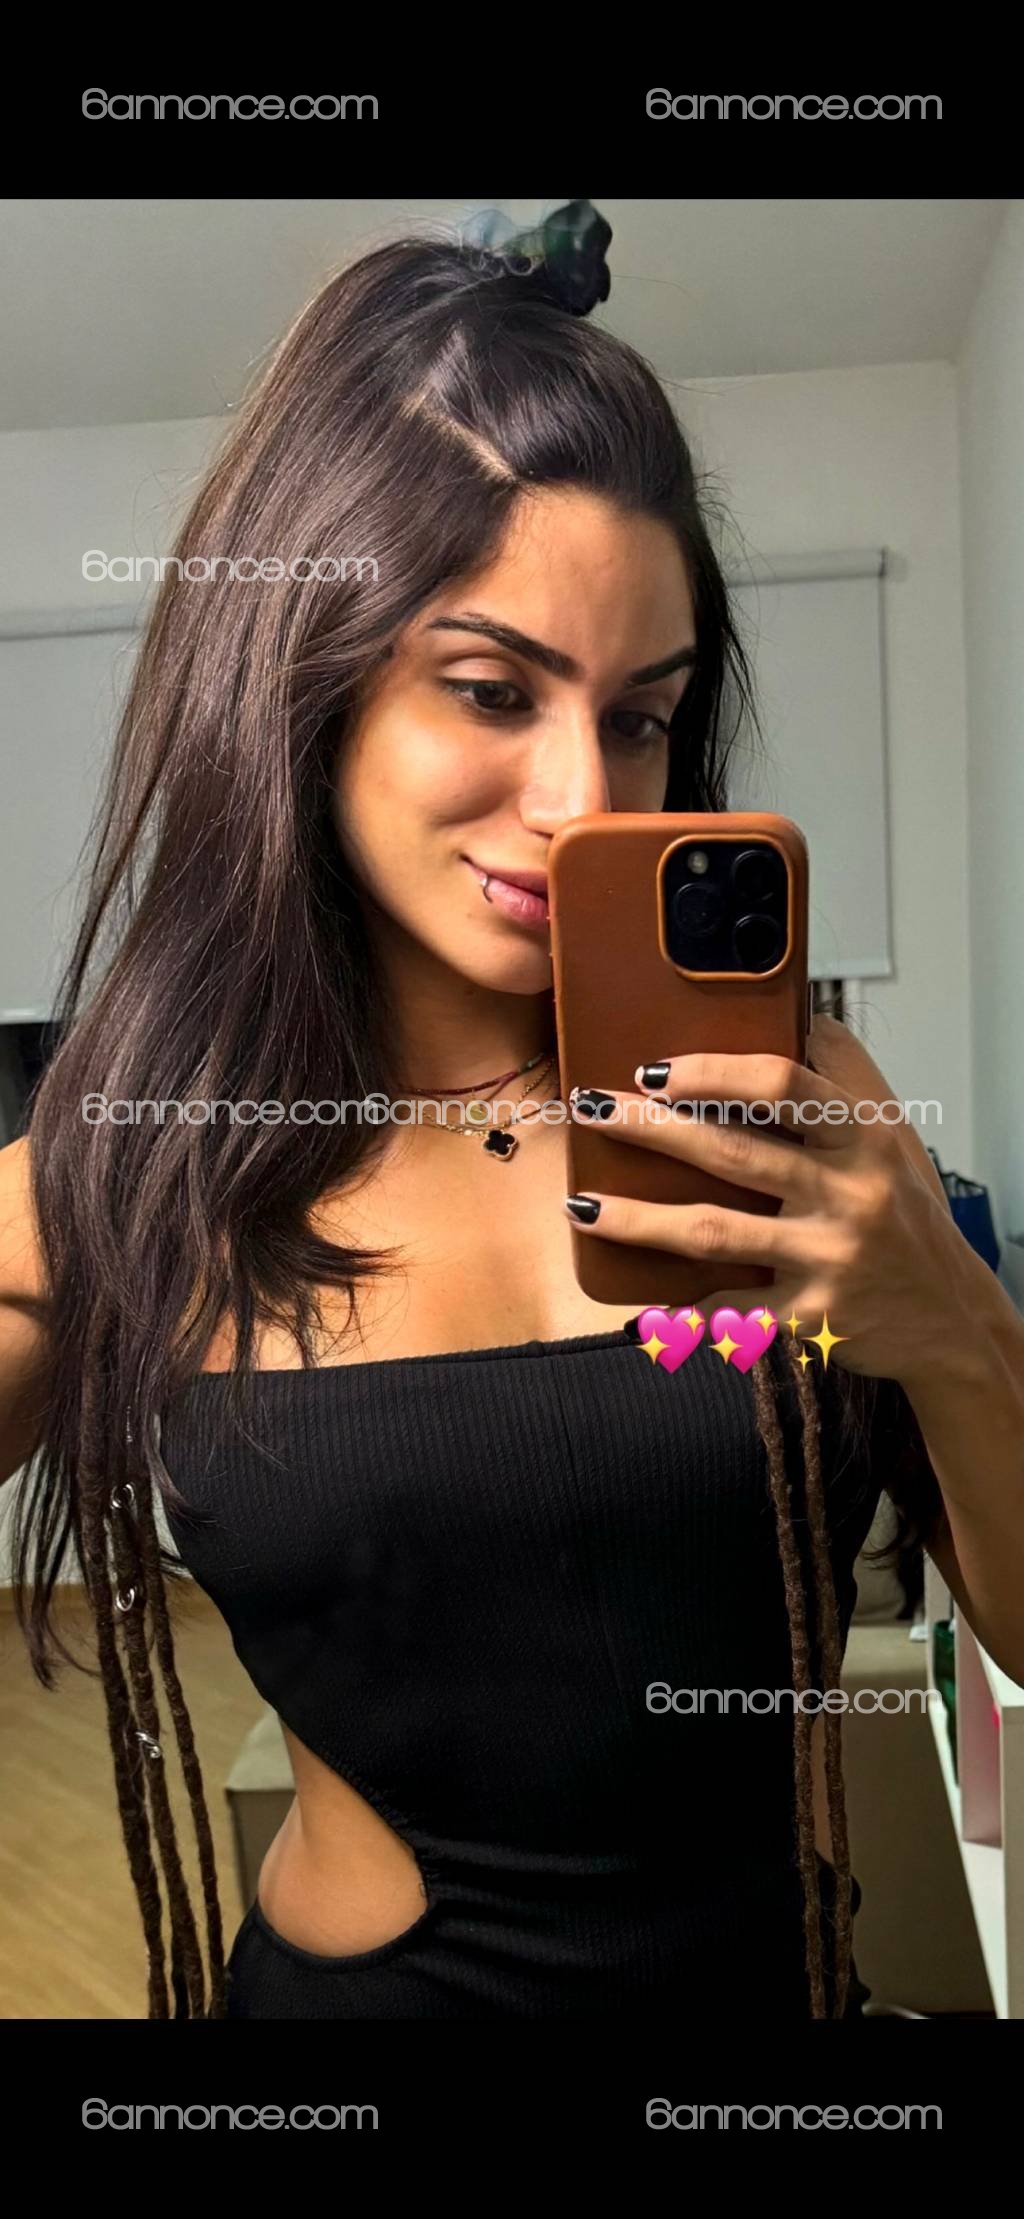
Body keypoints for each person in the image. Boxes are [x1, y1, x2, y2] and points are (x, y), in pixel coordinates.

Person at [3, 202, 1023, 2022]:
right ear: (302, 681)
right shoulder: (146, 1170)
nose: (580, 799)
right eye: (490, 690)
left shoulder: (800, 1107)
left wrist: (953, 1324)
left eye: (641, 718)